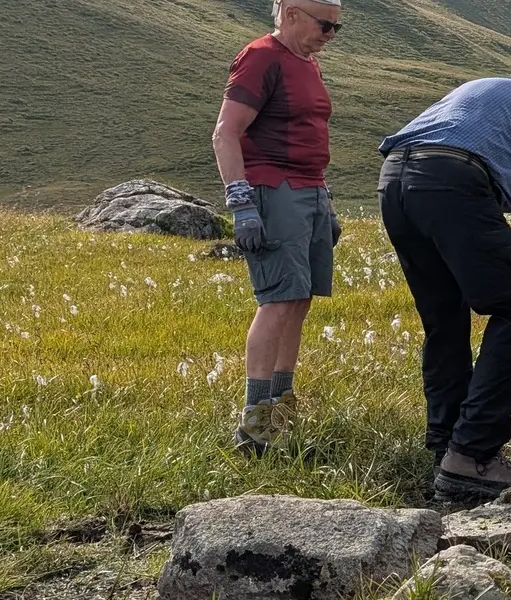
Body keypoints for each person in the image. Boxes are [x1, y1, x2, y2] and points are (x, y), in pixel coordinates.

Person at [375, 76, 511, 502]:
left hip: (395, 179)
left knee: (445, 319)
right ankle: (472, 453)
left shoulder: (496, 93)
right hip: (452, 180)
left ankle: (445, 447)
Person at [213, 0, 344, 454]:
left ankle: (282, 398)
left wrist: (323, 201)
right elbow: (226, 132)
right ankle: (254, 421)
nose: (329, 34)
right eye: (323, 24)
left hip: (308, 190)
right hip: (274, 187)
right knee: (278, 298)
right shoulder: (261, 56)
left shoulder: (307, 63)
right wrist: (241, 202)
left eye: (336, 27)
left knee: (301, 297)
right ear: (290, 13)